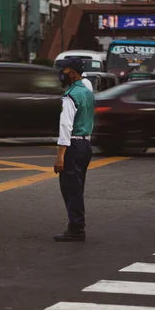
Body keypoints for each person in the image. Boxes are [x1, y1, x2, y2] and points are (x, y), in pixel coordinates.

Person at [53, 57, 95, 242]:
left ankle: (77, 229)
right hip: (85, 145)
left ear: (72, 72)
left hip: (74, 145)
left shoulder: (70, 96)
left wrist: (60, 156)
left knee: (70, 189)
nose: (61, 74)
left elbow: (65, 127)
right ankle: (76, 226)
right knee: (77, 187)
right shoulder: (87, 91)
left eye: (64, 70)